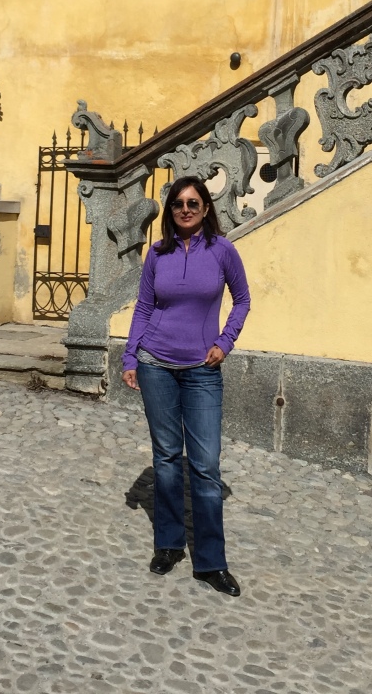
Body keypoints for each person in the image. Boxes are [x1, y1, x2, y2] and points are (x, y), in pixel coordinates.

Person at [123, 175, 251, 597]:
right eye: (178, 203)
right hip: (155, 364)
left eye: (193, 203)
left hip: (201, 369)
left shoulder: (222, 250)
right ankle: (169, 544)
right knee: (165, 458)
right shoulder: (157, 253)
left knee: (206, 465)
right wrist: (130, 357)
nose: (185, 210)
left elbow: (243, 299)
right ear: (170, 210)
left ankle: (211, 563)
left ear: (206, 208)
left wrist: (225, 342)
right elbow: (144, 307)